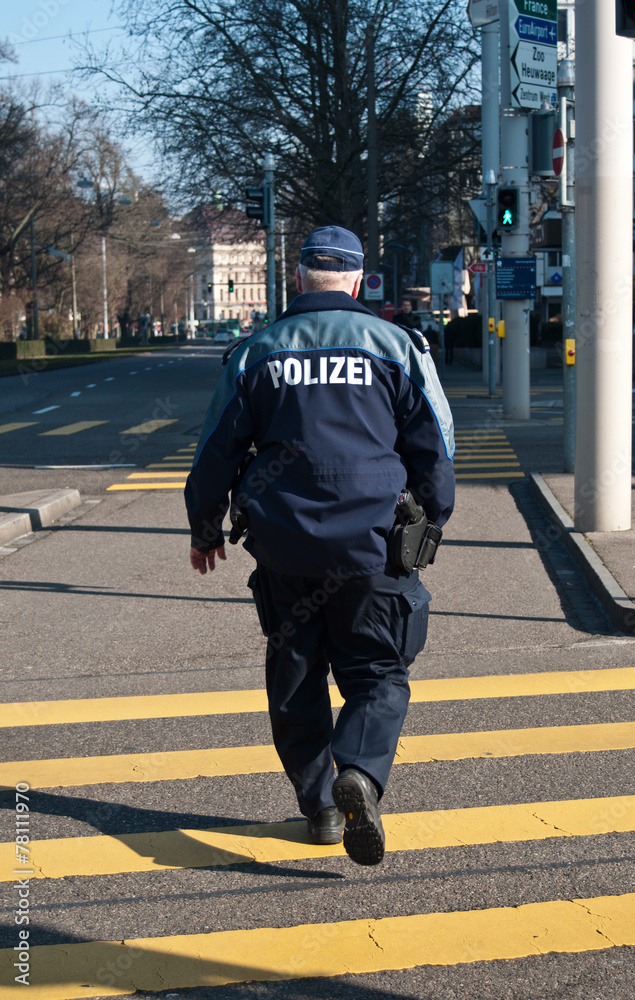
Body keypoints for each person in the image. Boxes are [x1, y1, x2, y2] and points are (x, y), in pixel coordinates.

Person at [185, 225, 455, 867]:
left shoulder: (257, 353)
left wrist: (206, 528)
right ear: (358, 281)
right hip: (374, 545)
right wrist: (431, 519)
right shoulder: (398, 346)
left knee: (295, 674)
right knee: (378, 673)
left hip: (283, 545)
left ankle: (323, 808)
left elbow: (214, 450)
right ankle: (358, 769)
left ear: (300, 277)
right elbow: (435, 449)